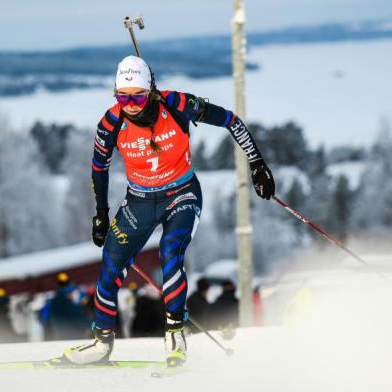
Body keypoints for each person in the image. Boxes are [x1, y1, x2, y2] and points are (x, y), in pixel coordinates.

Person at [61, 55, 275, 366]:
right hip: (139, 200)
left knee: (170, 252)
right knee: (110, 263)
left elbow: (231, 121)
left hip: (182, 193)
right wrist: (101, 214)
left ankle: (175, 333)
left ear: (150, 90)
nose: (130, 104)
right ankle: (101, 342)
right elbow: (98, 168)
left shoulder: (176, 104)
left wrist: (257, 163)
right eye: (123, 97)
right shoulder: (111, 122)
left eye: (137, 96)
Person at [43, 273, 89, 340]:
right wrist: (92, 326)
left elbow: (45, 320)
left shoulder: (51, 302)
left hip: (58, 337)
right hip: (73, 336)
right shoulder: (68, 304)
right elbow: (80, 317)